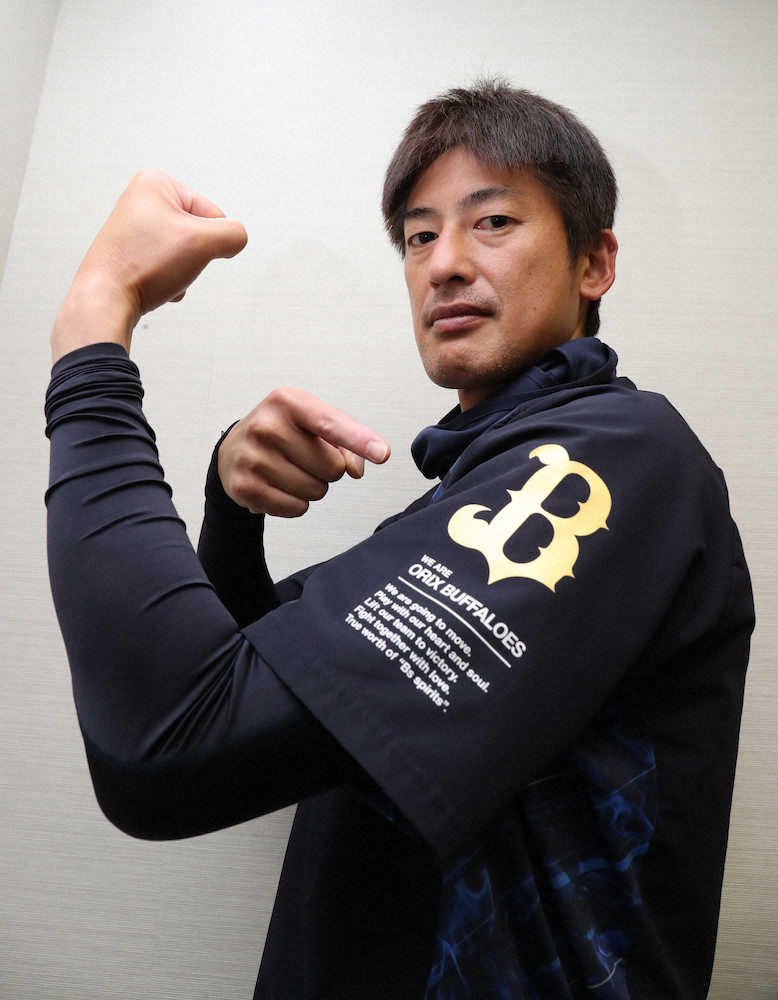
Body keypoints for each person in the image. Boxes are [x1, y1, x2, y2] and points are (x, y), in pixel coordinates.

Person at [45, 82, 753, 999]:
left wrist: (94, 326)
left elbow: (166, 741)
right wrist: (231, 506)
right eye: (419, 237)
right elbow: (269, 705)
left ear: (594, 261)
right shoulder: (472, 493)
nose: (444, 264)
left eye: (492, 222)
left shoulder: (614, 461)